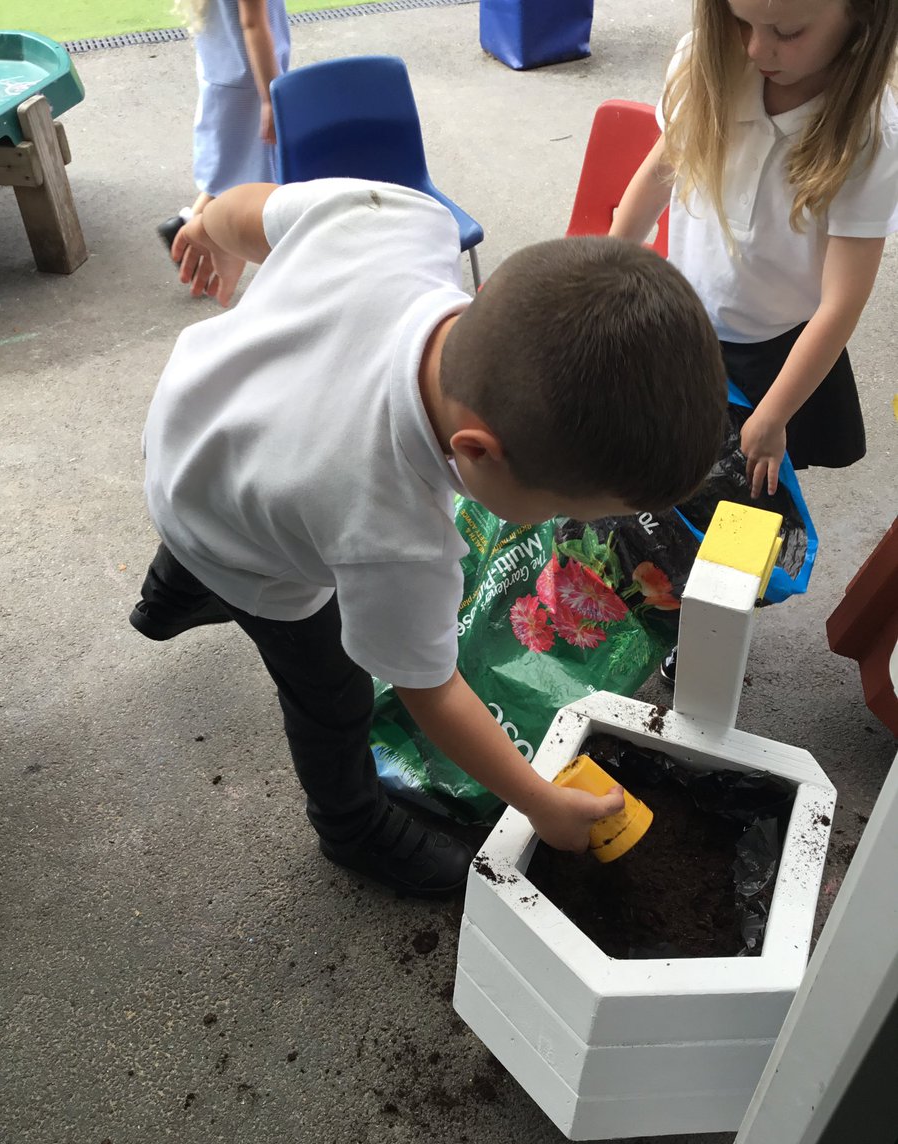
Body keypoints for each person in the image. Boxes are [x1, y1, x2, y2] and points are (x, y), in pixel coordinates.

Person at [131, 177, 728, 898]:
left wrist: (207, 231)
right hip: (237, 528)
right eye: (551, 512)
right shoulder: (393, 539)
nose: (553, 531)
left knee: (232, 513)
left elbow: (242, 209)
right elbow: (430, 691)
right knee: (331, 696)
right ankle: (351, 827)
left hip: (190, 425)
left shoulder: (401, 222)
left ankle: (174, 585)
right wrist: (540, 805)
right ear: (477, 452)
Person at [610, 0, 898, 684]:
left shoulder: (871, 132)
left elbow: (842, 299)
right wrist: (602, 267)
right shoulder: (706, 64)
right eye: (739, 22)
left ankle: (712, 641)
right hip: (684, 331)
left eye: (787, 32)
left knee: (744, 513)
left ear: (860, 17)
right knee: (665, 483)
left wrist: (773, 416)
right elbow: (658, 172)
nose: (755, 48)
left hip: (781, 356)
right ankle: (664, 610)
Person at [157, 0, 290, 255]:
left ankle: (188, 234)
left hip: (225, 71)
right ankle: (191, 239)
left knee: (231, 174)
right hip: (251, 81)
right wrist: (270, 99)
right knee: (251, 179)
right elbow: (252, 23)